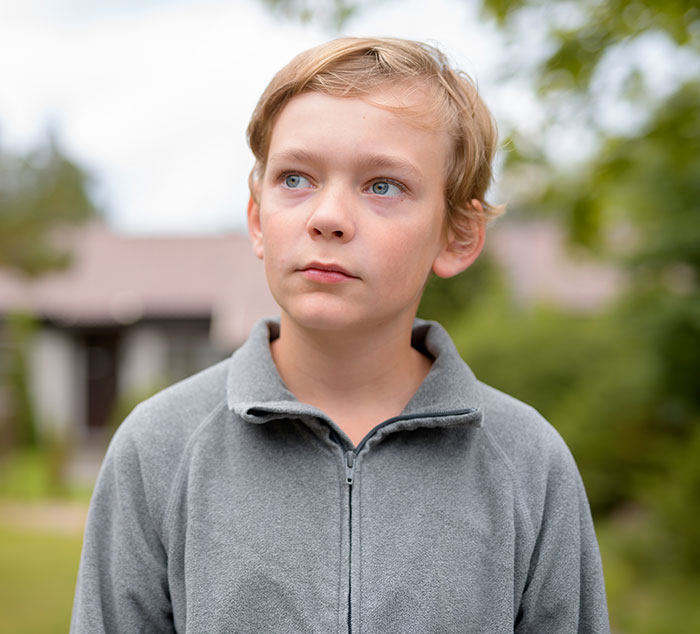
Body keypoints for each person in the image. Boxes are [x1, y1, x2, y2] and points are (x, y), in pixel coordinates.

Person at [70, 37, 610, 633]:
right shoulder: (158, 450)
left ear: (457, 235)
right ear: (257, 219)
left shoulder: (529, 463)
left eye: (383, 186)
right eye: (296, 179)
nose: (326, 217)